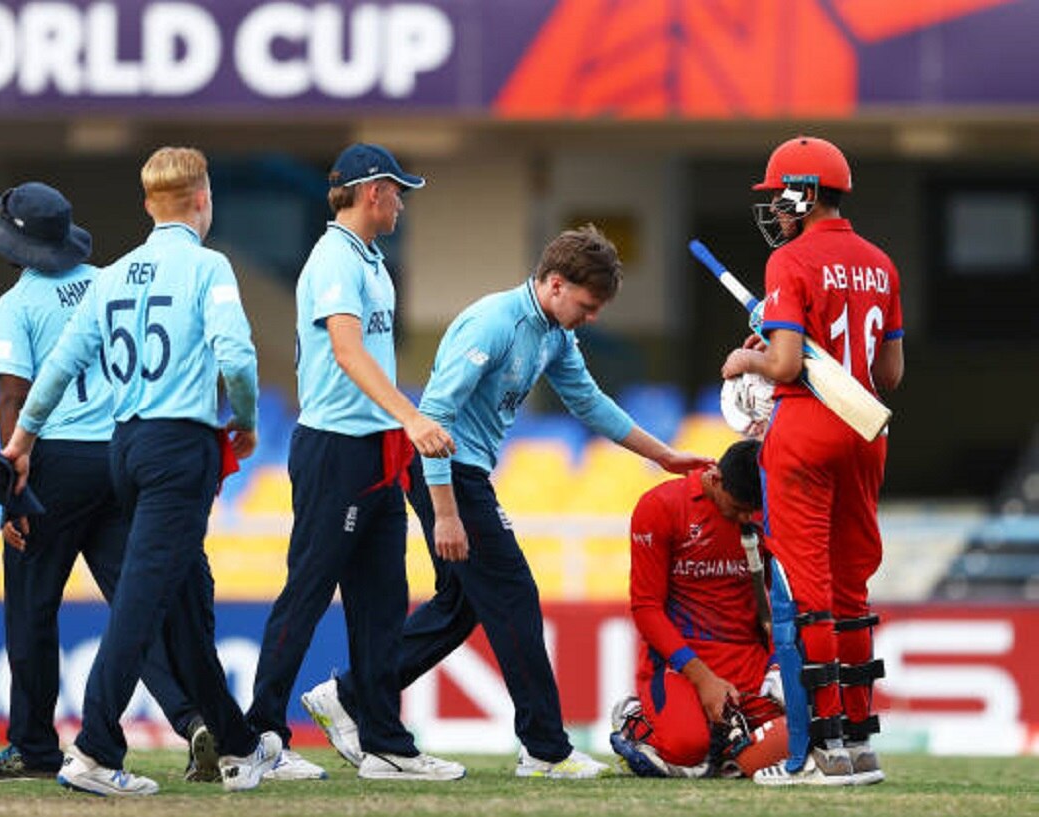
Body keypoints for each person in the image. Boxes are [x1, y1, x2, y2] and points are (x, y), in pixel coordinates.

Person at [302, 225, 713, 778]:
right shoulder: (494, 323)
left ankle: (350, 695)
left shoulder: (554, 335)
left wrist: (663, 455)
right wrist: (446, 512)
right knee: (515, 596)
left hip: (467, 473)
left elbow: (590, 404)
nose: (590, 319)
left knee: (459, 607)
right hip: (446, 472)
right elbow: (437, 417)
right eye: (587, 306)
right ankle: (545, 748)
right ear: (555, 284)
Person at [2, 147, 279, 796]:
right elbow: (236, 353)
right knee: (140, 603)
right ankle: (95, 749)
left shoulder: (113, 275)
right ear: (204, 201)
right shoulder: (209, 267)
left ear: (148, 205)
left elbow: (59, 369)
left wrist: (20, 442)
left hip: (123, 446)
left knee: (178, 606)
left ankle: (236, 744)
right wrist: (246, 417)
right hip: (178, 446)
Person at [0, 181, 215, 783]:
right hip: (123, 458)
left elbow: (14, 396)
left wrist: (12, 490)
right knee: (136, 607)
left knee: (31, 611)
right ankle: (191, 719)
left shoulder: (16, 304)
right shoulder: (109, 280)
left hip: (55, 465)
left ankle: (33, 747)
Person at [245, 143, 465, 783]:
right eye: (399, 191)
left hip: (372, 450)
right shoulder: (335, 259)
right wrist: (412, 415)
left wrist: (397, 427)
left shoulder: (369, 260)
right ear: (373, 191)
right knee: (308, 594)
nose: (402, 203)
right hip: (336, 448)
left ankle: (384, 743)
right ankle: (260, 735)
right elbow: (346, 350)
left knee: (381, 600)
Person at [720, 136, 904, 785]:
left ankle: (827, 747)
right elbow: (890, 369)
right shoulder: (881, 263)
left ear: (802, 192)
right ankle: (860, 739)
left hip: (804, 427)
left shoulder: (790, 261)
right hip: (864, 429)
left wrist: (747, 357)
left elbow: (788, 365)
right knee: (853, 588)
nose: (776, 208)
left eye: (779, 196)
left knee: (811, 593)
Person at [609, 438, 788, 779]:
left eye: (751, 509)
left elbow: (779, 599)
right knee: (687, 751)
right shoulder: (661, 506)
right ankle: (637, 719)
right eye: (737, 508)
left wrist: (778, 665)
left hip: (747, 661)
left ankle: (723, 742)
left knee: (799, 738)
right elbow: (646, 608)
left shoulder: (764, 511)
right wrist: (704, 680)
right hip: (680, 665)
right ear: (716, 478)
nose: (744, 518)